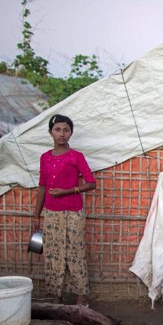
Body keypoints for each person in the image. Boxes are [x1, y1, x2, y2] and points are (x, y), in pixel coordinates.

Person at [33, 115, 96, 306]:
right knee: (53, 253)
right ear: (50, 132)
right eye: (58, 129)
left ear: (71, 132)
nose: (62, 134)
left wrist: (67, 191)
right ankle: (55, 295)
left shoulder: (76, 156)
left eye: (66, 130)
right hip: (51, 213)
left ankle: (81, 297)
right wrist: (36, 215)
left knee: (76, 251)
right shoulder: (45, 158)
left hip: (73, 212)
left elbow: (91, 183)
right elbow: (42, 187)